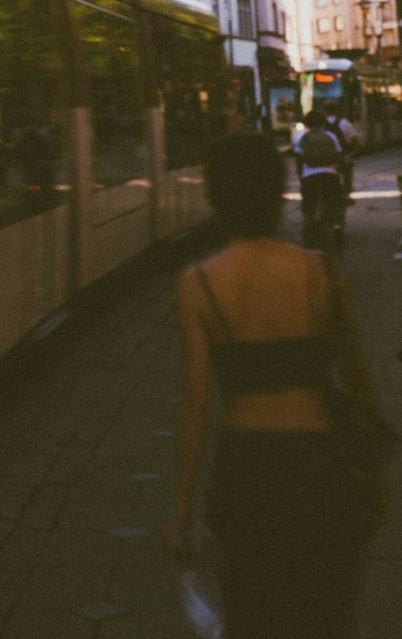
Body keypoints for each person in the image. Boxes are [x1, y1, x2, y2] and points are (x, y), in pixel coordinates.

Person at [166, 131, 388, 639]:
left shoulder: (198, 285)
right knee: (328, 618)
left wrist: (181, 509)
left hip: (246, 474)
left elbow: (197, 402)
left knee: (252, 617)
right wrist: (376, 478)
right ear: (276, 194)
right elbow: (360, 383)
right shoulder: (322, 275)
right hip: (322, 469)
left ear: (216, 198)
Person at [292, 106, 344, 246]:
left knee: (308, 210)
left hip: (309, 176)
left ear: (307, 124)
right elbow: (339, 155)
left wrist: (301, 176)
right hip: (329, 174)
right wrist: (337, 170)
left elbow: (298, 158)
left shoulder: (302, 137)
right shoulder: (331, 136)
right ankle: (335, 228)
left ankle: (308, 238)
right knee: (333, 204)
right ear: (323, 123)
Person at [324, 98, 360, 203]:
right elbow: (354, 138)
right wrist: (356, 150)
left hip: (326, 155)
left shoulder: (322, 123)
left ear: (325, 111)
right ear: (337, 110)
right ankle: (347, 194)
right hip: (342, 155)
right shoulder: (344, 122)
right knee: (347, 172)